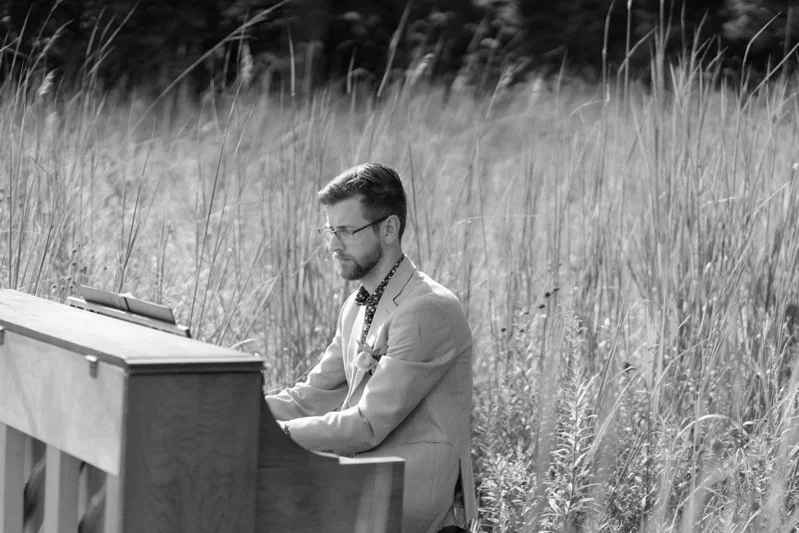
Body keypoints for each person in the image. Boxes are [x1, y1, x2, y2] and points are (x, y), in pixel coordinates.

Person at [264, 162, 476, 533]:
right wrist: (239, 413)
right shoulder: (356, 305)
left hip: (412, 498)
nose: (332, 245)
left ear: (389, 229)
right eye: (331, 231)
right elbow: (310, 397)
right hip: (367, 479)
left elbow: (367, 425)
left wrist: (274, 435)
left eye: (346, 231)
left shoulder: (428, 308)